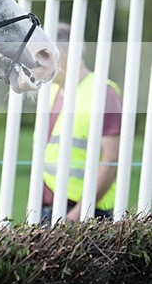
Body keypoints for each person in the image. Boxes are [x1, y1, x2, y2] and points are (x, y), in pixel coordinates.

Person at [42, 23, 122, 223]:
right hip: (46, 209)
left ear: (65, 54)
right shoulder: (50, 92)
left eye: (45, 56)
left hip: (85, 214)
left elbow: (111, 160)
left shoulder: (103, 92)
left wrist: (77, 215)